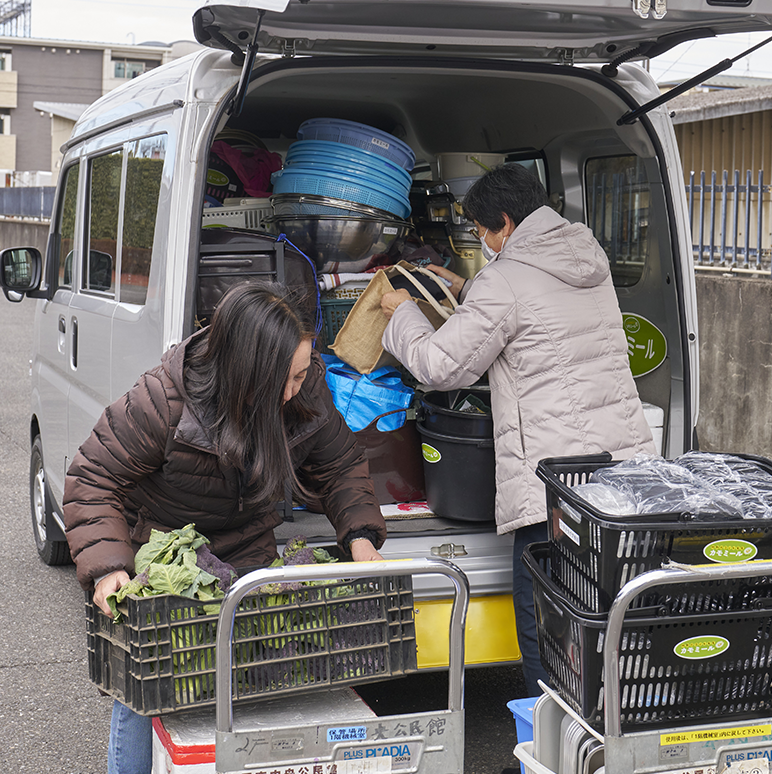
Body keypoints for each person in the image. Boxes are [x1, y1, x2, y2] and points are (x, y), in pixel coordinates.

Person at [64, 281, 386, 774]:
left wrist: (361, 539)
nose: (295, 388)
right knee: (148, 686)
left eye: (302, 374)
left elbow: (340, 464)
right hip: (167, 558)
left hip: (249, 552)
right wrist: (109, 567)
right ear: (247, 370)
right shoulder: (163, 399)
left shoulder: (305, 387)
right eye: (287, 377)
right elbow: (93, 476)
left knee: (253, 673)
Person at [380, 163, 656, 696]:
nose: (481, 241)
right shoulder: (585, 255)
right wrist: (466, 287)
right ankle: (597, 733)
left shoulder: (504, 279)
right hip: (617, 473)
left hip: (553, 482)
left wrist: (402, 313)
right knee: (597, 614)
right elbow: (534, 310)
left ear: (504, 224)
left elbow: (442, 366)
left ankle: (544, 748)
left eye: (482, 231)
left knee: (542, 622)